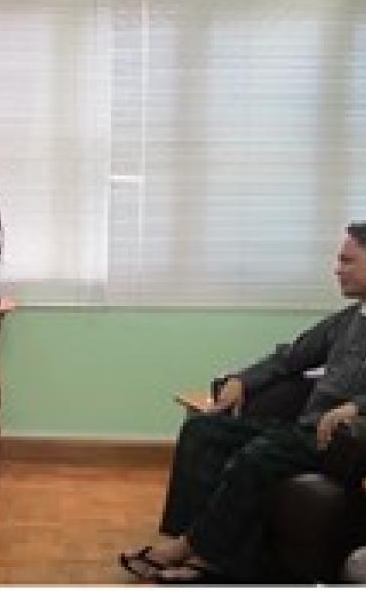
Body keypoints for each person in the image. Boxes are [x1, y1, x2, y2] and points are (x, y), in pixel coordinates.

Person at [120, 222, 366, 583]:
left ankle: (200, 555)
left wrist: (357, 406)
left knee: (260, 453)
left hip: (340, 441)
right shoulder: (347, 320)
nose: (337, 269)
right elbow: (290, 357)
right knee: (203, 431)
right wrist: (241, 380)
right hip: (303, 431)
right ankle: (188, 540)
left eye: (347, 261)